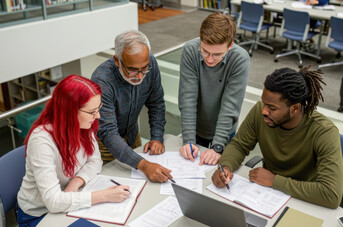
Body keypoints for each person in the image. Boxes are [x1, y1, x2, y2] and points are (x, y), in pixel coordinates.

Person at [212, 66, 343, 209]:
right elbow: (239, 145)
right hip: (265, 195)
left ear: (295, 108)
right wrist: (225, 167)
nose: (264, 111)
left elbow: (331, 195)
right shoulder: (259, 112)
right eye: (264, 103)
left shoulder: (324, 132)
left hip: (305, 201)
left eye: (272, 108)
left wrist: (275, 181)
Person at [17, 75, 130, 227]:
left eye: (99, 108)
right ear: (69, 111)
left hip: (69, 199)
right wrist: (104, 196)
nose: (97, 116)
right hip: (38, 215)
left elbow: (95, 161)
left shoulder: (83, 125)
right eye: (92, 111)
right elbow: (53, 202)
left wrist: (76, 182)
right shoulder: (42, 140)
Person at [92, 30, 172, 183]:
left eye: (144, 69)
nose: (141, 76)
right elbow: (108, 132)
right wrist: (145, 165)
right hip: (105, 145)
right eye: (133, 70)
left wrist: (157, 137)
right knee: (115, 186)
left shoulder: (151, 63)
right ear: (117, 60)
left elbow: (156, 103)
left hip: (132, 135)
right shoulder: (102, 80)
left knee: (140, 184)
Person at [178, 12, 249, 166]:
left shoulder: (240, 59)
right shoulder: (190, 50)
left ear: (230, 46)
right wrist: (189, 140)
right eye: (205, 51)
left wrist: (217, 147)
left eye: (217, 54)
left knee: (219, 175)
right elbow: (187, 98)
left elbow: (230, 106)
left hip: (225, 131)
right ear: (200, 41)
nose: (209, 59)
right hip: (195, 128)